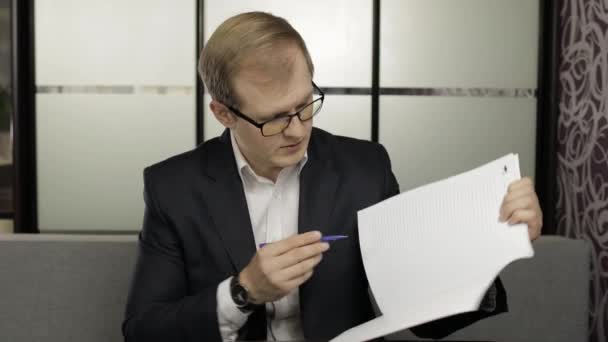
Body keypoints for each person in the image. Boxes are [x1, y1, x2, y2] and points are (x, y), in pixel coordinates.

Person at [122, 11, 542, 342]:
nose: (298, 129)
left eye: (305, 104)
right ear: (223, 113)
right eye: (274, 119)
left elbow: (424, 316)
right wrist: (243, 290)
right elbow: (144, 331)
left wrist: (495, 240)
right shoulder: (173, 187)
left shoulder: (365, 169)